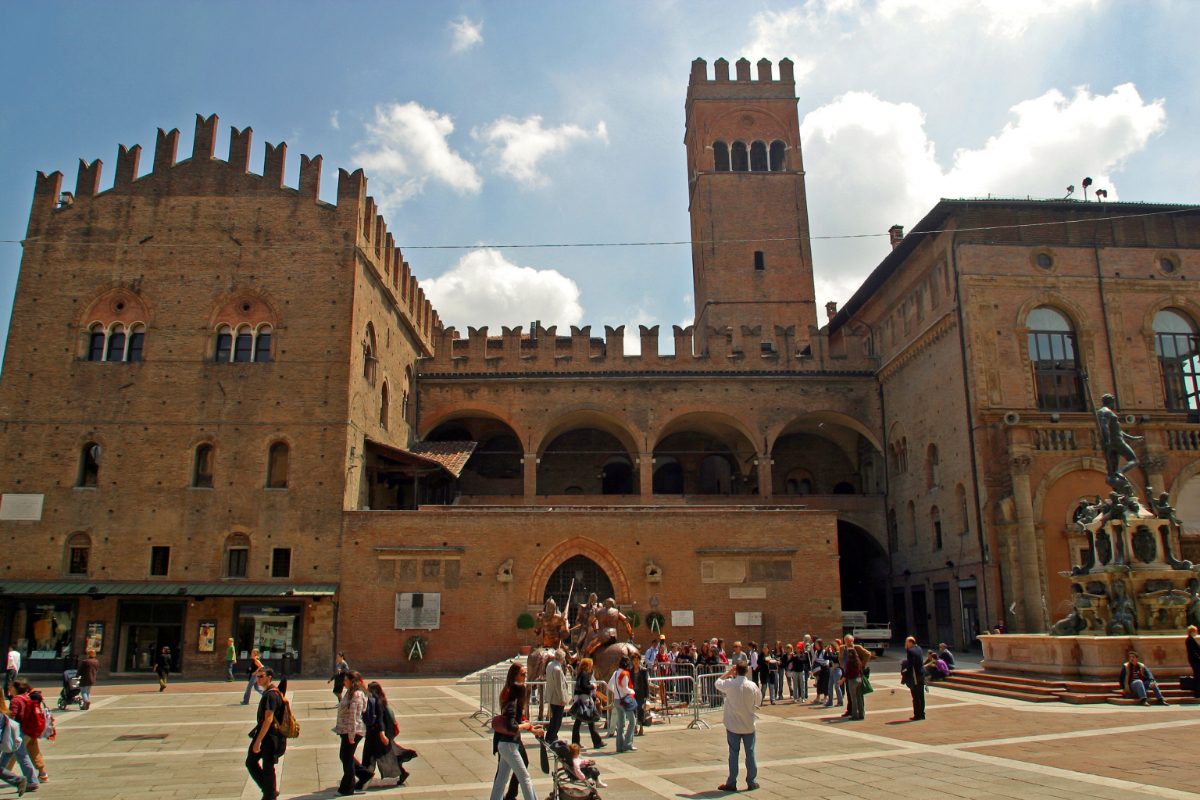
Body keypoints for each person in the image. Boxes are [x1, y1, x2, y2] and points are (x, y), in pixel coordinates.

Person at [490, 662, 543, 800]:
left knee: (502, 777)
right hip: (509, 741)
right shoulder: (510, 695)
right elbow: (512, 724)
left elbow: (519, 718)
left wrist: (531, 729)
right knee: (524, 777)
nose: (525, 677)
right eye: (522, 674)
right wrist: (526, 727)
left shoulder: (513, 696)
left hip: (506, 742)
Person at [714, 662, 761, 792]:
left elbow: (717, 683)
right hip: (748, 724)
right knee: (750, 753)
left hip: (733, 724)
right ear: (747, 671)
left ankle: (732, 781)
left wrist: (728, 673)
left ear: (736, 671)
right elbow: (758, 701)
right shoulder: (752, 686)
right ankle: (752, 781)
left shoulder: (730, 683)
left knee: (733, 753)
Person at [245, 667, 286, 800]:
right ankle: (270, 791)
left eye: (261, 676)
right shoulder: (273, 692)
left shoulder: (270, 695)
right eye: (257, 676)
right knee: (262, 764)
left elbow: (268, 719)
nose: (258, 679)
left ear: (269, 677)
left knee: (260, 764)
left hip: (269, 736)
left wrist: (258, 741)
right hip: (271, 735)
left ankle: (269, 794)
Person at [360, 681, 407, 787]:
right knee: (382, 754)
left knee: (378, 755)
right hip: (376, 733)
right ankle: (365, 775)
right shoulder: (380, 699)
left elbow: (380, 719)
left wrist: (381, 734)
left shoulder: (377, 701)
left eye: (370, 689)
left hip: (377, 733)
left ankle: (364, 776)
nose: (368, 691)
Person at [334, 670, 370, 795]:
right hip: (345, 729)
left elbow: (354, 716)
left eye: (345, 679)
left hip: (353, 730)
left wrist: (351, 734)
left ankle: (347, 788)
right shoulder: (350, 692)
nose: (343, 682)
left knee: (346, 758)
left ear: (352, 681)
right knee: (344, 756)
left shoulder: (357, 695)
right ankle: (365, 774)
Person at [7, 680, 47, 785]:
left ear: (16, 689)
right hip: (31, 729)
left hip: (22, 730)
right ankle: (43, 774)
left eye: (11, 687)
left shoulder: (16, 700)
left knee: (15, 754)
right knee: (34, 751)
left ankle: (7, 774)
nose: (9, 689)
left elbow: (12, 715)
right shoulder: (27, 697)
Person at [569, 657, 604, 750]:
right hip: (585, 702)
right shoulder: (585, 675)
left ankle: (577, 742)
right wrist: (592, 686)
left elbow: (579, 687)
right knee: (589, 721)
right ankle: (597, 742)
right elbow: (584, 686)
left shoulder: (580, 674)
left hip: (580, 701)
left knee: (580, 722)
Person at [608, 657, 637, 753]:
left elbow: (609, 685)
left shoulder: (615, 673)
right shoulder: (624, 674)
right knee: (632, 721)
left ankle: (619, 746)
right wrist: (632, 691)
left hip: (617, 700)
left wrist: (616, 692)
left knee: (620, 725)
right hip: (624, 700)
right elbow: (625, 688)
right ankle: (627, 744)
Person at [543, 649, 570, 742]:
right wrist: (562, 699)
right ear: (562, 658)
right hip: (557, 698)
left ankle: (549, 736)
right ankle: (552, 737)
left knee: (553, 719)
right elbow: (559, 686)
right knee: (557, 721)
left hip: (551, 696)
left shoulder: (550, 665)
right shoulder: (557, 669)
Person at [902, 636, 926, 720]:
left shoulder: (910, 651)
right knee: (921, 695)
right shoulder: (919, 648)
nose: (905, 644)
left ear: (911, 642)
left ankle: (917, 715)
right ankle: (922, 714)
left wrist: (905, 670)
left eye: (906, 642)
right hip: (921, 674)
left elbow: (910, 665)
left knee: (915, 696)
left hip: (915, 676)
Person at [843, 646, 865, 720]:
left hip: (852, 680)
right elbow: (861, 671)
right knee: (859, 697)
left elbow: (847, 672)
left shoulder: (849, 662)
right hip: (859, 679)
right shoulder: (858, 661)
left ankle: (854, 715)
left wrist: (842, 680)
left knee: (853, 698)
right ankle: (861, 714)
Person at [632, 653, 650, 735]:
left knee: (640, 710)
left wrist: (647, 695)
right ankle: (634, 727)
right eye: (634, 660)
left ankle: (641, 727)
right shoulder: (630, 671)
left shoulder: (643, 670)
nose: (636, 662)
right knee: (633, 711)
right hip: (632, 693)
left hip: (641, 693)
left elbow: (646, 683)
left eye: (637, 660)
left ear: (640, 661)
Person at [1186, 626, 1200, 698]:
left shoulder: (1191, 639)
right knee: (1197, 676)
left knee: (1198, 676)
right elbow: (1193, 651)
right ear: (1192, 632)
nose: (1197, 633)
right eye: (1196, 631)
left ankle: (1198, 692)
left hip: (1195, 660)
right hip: (1195, 661)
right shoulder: (1189, 640)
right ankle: (1197, 693)